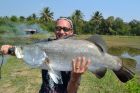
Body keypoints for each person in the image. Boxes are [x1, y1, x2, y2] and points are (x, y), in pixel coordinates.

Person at [0, 17, 91, 93]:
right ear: (55, 30)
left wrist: (75, 77)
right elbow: (28, 50)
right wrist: (11, 49)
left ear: (71, 32)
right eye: (58, 28)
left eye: (65, 29)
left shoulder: (78, 52)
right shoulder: (45, 44)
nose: (61, 32)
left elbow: (72, 91)